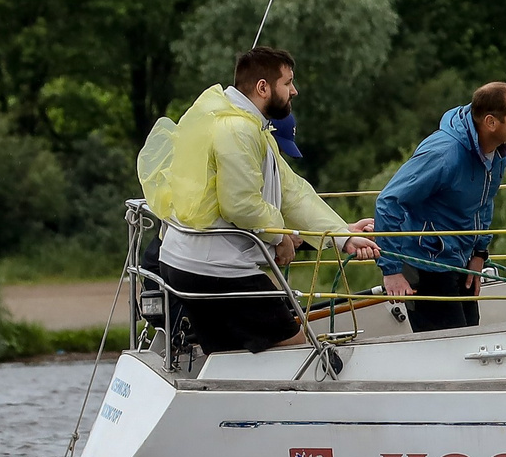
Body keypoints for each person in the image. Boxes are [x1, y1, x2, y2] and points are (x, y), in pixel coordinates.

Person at [147, 46, 379, 353]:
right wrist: (280, 236)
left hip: (195, 263)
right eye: (288, 82)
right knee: (296, 345)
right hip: (214, 269)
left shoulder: (247, 124)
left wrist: (342, 236)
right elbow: (240, 205)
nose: (294, 91)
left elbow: (292, 192)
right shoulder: (238, 129)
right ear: (262, 87)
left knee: (232, 354)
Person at [377, 83, 506, 333]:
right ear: (491, 122)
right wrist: (391, 270)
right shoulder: (443, 154)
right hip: (426, 264)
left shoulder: (497, 152)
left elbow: (484, 203)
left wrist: (480, 254)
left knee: (469, 339)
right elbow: (389, 201)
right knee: (449, 351)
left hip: (462, 260)